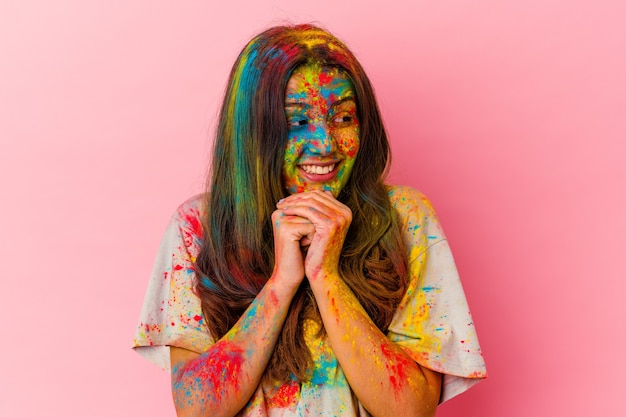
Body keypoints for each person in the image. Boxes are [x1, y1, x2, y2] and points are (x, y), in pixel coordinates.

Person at [133, 24, 487, 417]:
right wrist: (282, 283)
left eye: (343, 117)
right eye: (297, 121)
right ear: (253, 129)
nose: (325, 143)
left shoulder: (405, 219)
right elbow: (197, 410)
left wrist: (326, 276)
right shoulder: (198, 226)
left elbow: (411, 411)